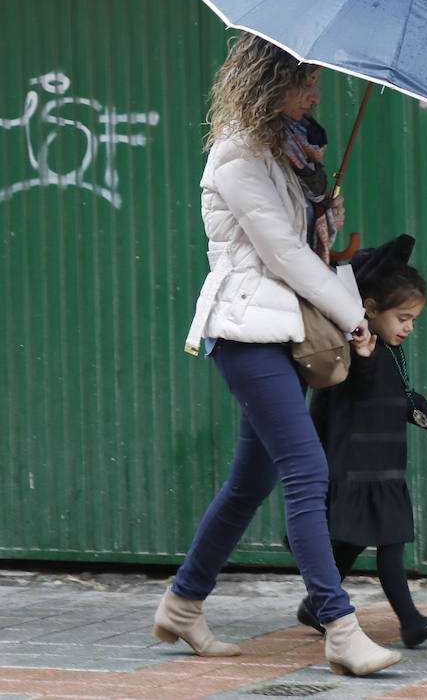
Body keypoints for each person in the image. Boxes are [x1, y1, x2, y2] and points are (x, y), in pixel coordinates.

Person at [153, 33, 402, 677]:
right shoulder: (237, 159)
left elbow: (304, 246)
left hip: (278, 329)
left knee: (251, 481)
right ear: (267, 82)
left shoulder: (288, 153)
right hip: (242, 329)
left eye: (315, 80)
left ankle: (183, 604)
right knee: (306, 469)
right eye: (303, 82)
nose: (315, 93)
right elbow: (281, 256)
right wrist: (353, 317)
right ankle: (339, 625)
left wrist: (325, 205)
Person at [295, 235, 427, 649]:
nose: (409, 327)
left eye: (414, 320)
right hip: (357, 470)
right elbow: (359, 390)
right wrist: (365, 354)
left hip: (384, 469)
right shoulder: (352, 353)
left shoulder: (390, 352)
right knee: (388, 543)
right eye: (403, 318)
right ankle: (409, 622)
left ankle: (316, 606)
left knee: (353, 542)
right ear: (370, 310)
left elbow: (403, 401)